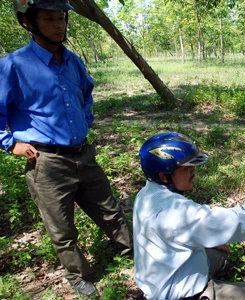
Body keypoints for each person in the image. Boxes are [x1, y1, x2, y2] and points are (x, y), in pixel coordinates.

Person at [0, 0, 133, 296]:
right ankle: (78, 276)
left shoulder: (73, 61)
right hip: (46, 162)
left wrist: (85, 119)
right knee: (62, 228)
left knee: (110, 210)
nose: (59, 25)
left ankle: (132, 249)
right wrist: (10, 144)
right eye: (49, 19)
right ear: (29, 23)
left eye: (61, 18)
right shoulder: (12, 66)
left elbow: (86, 92)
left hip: (83, 154)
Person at [134, 132, 245, 299]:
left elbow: (187, 229)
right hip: (178, 294)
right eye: (186, 167)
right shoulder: (176, 215)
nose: (193, 171)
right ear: (164, 176)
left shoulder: (147, 195)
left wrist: (210, 239)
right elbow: (242, 219)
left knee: (217, 252)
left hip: (157, 280)